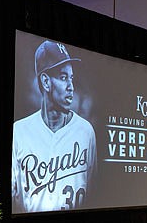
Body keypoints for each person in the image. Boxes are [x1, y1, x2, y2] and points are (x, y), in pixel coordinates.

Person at [12, 40, 96, 213]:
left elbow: (95, 192)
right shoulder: (19, 132)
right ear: (46, 82)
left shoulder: (85, 131)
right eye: (63, 78)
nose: (71, 87)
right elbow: (13, 198)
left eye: (71, 78)